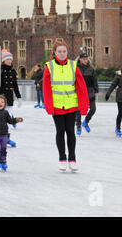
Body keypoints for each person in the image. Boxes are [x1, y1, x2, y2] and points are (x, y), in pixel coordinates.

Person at [42, 41, 89, 172]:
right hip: (57, 106)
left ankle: (72, 158)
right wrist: (49, 106)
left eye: (64, 51)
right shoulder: (49, 67)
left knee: (71, 132)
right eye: (59, 52)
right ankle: (62, 158)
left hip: (71, 105)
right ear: (55, 53)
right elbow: (46, 88)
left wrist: (83, 106)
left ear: (67, 53)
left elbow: (81, 87)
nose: (62, 54)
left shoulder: (73, 65)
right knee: (60, 131)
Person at [0, 49, 22, 147]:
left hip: (9, 98)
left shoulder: (13, 72)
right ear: (3, 60)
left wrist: (19, 97)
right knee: (0, 119)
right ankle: (0, 137)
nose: (9, 61)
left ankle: (7, 138)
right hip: (0, 98)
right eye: (7, 59)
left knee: (8, 118)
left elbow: (15, 85)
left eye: (10, 59)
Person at [75, 53, 99, 135]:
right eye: (84, 58)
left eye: (86, 58)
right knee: (78, 110)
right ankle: (78, 126)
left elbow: (95, 81)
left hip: (90, 91)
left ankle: (86, 121)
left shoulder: (91, 69)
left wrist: (96, 90)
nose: (85, 60)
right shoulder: (76, 68)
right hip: (80, 92)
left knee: (93, 109)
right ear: (80, 59)